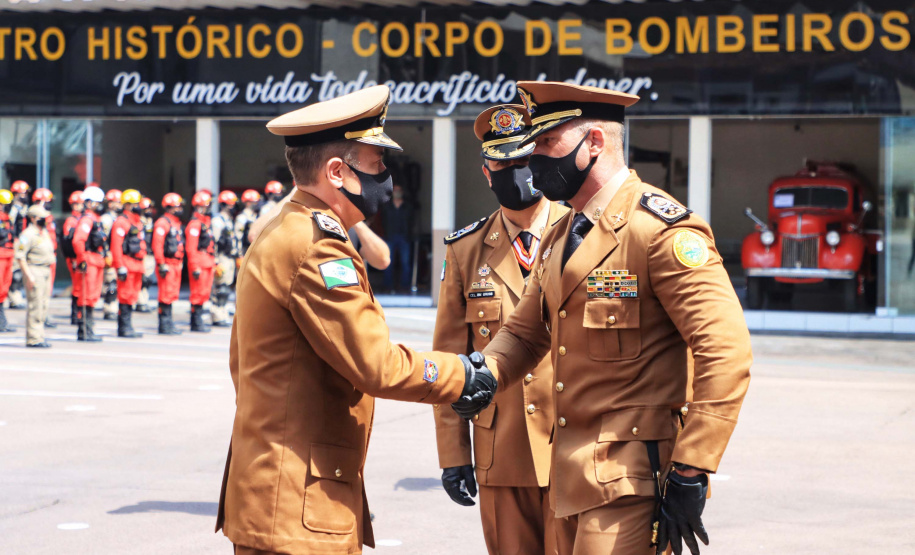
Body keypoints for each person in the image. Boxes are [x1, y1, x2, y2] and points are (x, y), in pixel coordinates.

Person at [469, 82, 753, 555]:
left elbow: (725, 351)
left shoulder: (659, 231)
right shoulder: (562, 232)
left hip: (628, 483)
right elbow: (522, 332)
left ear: (593, 144)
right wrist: (472, 377)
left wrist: (692, 467)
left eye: (544, 144)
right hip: (567, 479)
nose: (533, 158)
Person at [216, 85, 498, 555]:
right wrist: (463, 373)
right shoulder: (316, 246)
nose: (385, 178)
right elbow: (376, 364)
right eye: (375, 165)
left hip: (283, 491)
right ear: (336, 172)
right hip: (295, 505)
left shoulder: (288, 226)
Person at [433, 104, 569, 555]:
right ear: (486, 172)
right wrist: (454, 456)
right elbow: (450, 362)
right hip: (501, 450)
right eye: (502, 164)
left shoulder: (580, 234)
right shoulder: (465, 251)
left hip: (573, 444)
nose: (514, 172)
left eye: (523, 160)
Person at [16, 204, 56, 348]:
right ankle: (33, 338)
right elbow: (20, 256)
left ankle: (40, 335)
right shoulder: (27, 235)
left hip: (46, 270)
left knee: (44, 305)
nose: (45, 220)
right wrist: (29, 276)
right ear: (33, 218)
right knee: (36, 305)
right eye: (41, 217)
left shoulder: (43, 232)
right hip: (35, 270)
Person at [71, 186, 108, 342]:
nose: (100, 205)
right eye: (97, 202)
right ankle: (84, 330)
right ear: (89, 203)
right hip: (90, 261)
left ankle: (89, 329)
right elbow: (78, 241)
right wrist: (83, 259)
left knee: (93, 296)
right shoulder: (87, 219)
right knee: (86, 296)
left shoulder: (95, 219)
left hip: (96, 261)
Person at [109, 189, 147, 338]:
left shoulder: (137, 221)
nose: (139, 206)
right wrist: (120, 266)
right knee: (125, 295)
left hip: (137, 264)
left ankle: (128, 325)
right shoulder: (122, 222)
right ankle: (123, 327)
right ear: (129, 205)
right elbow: (116, 246)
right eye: (136, 203)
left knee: (132, 295)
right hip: (127, 263)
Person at [152, 192, 185, 335]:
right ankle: (164, 325)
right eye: (177, 206)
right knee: (165, 294)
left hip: (176, 263)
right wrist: (161, 263)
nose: (180, 209)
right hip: (167, 263)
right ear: (170, 207)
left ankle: (169, 323)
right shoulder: (162, 223)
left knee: (171, 294)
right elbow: (157, 245)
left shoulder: (175, 223)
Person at [185, 190, 215, 333]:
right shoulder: (195, 224)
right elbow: (191, 248)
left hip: (207, 261)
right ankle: (195, 322)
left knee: (204, 293)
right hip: (200, 262)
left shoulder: (205, 223)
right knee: (197, 293)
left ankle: (199, 320)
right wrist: (195, 266)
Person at [211, 190, 239, 327]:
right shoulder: (218, 221)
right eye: (229, 204)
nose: (232, 207)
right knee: (220, 288)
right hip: (222, 258)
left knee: (227, 287)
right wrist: (215, 262)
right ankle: (216, 315)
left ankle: (221, 313)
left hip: (230, 258)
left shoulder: (229, 220)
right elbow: (214, 243)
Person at [32, 188, 57, 329]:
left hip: (50, 257)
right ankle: (38, 317)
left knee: (48, 289)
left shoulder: (49, 218)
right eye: (47, 202)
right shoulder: (34, 218)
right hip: (39, 259)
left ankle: (44, 314)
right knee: (39, 290)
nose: (49, 205)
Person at [381, 183, 414, 292]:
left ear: (402, 192)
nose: (397, 192)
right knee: (388, 262)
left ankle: (405, 287)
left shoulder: (408, 207)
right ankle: (388, 287)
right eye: (395, 190)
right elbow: (383, 221)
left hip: (404, 238)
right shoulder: (386, 207)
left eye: (399, 190)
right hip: (390, 237)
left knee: (405, 263)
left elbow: (412, 222)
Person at [61, 191, 85, 325]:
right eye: (76, 204)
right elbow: (68, 241)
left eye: (80, 204)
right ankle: (75, 315)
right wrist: (73, 258)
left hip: (80, 257)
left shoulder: (83, 219)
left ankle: (79, 313)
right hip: (74, 258)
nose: (78, 207)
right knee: (77, 286)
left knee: (81, 286)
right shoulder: (71, 221)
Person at [7, 180, 30, 309]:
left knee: (19, 271)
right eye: (22, 193)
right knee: (15, 272)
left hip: (22, 241)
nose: (25, 196)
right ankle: (13, 298)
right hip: (15, 242)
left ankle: (15, 296)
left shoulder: (23, 208)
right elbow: (10, 225)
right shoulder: (13, 208)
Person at [100, 188, 123, 321]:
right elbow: (103, 239)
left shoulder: (119, 218)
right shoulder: (106, 219)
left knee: (116, 282)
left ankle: (114, 307)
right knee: (111, 283)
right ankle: (109, 309)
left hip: (118, 253)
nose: (120, 205)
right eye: (117, 202)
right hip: (109, 254)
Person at [136, 196, 156, 313]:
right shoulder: (139, 221)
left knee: (148, 280)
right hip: (142, 254)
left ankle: (144, 300)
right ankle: (140, 302)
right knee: (142, 280)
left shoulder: (150, 221)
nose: (149, 211)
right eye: (146, 209)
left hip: (150, 253)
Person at [0, 189, 15, 332]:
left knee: (4, 287)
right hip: (0, 255)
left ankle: (2, 320)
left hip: (8, 255)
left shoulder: (8, 219)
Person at [235, 189, 260, 255]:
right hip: (245, 251)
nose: (257, 204)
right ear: (248, 203)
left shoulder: (256, 216)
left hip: (255, 251)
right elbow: (239, 237)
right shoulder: (242, 218)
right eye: (254, 202)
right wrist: (239, 254)